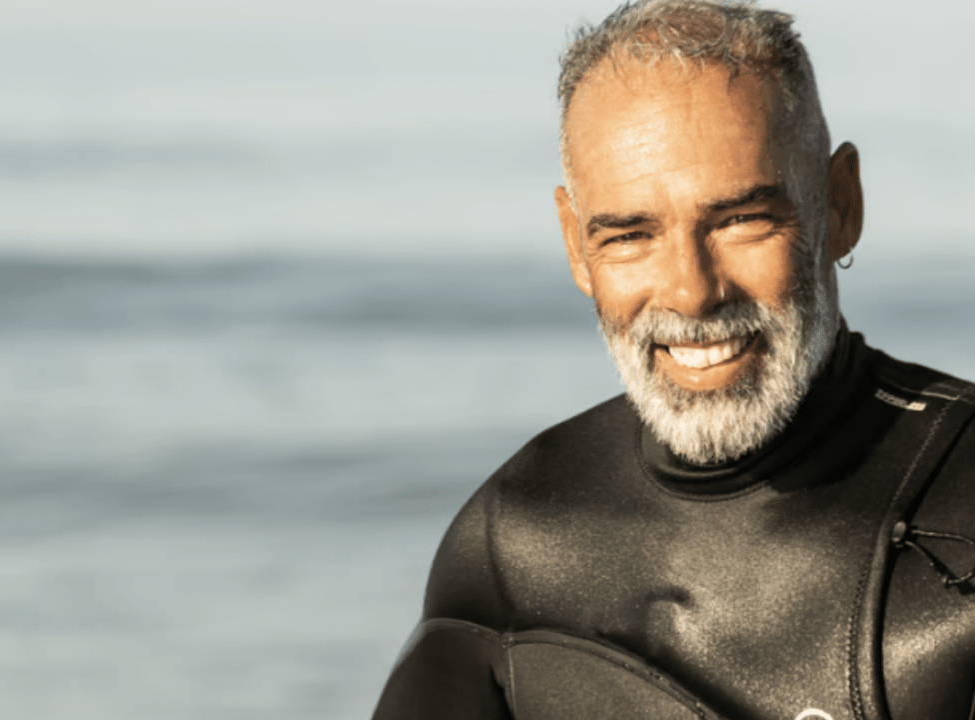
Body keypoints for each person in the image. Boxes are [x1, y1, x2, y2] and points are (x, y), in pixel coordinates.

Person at [372, 1, 975, 718]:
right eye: (629, 236)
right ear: (576, 248)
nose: (692, 293)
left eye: (741, 221)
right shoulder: (510, 548)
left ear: (839, 204)